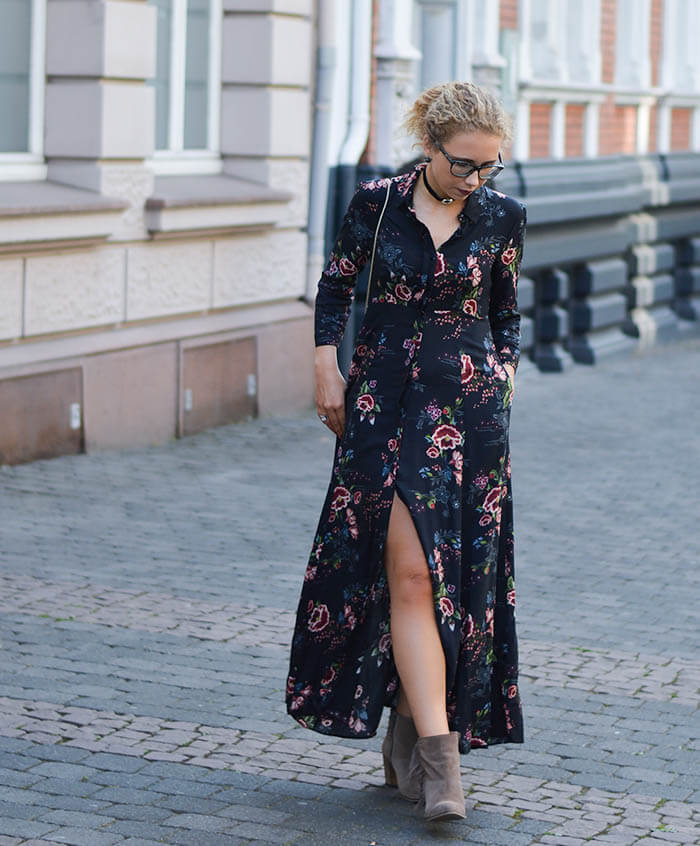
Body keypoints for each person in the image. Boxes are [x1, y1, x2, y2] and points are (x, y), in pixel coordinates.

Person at [286, 80, 526, 823]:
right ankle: (441, 762)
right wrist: (326, 363)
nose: (475, 180)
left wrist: (504, 375)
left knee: (446, 581)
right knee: (412, 575)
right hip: (382, 408)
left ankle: (411, 726)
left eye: (488, 168)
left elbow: (505, 312)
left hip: (469, 417)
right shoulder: (377, 201)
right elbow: (336, 288)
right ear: (430, 146)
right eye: (463, 165)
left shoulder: (502, 216)